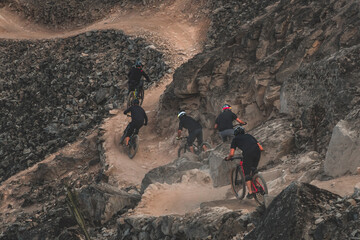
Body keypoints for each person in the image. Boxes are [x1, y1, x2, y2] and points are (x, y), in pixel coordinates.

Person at [224, 125, 264, 199]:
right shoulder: (249, 136)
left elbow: (231, 154)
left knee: (247, 173)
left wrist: (228, 158)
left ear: (235, 134)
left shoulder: (235, 139)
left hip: (248, 153)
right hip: (257, 152)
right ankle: (258, 186)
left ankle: (250, 192)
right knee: (254, 169)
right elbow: (261, 148)